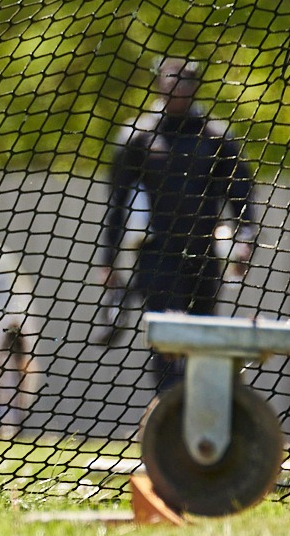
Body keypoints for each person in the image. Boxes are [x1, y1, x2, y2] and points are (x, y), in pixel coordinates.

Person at [93, 57, 260, 389]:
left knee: (202, 338)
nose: (178, 88)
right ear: (159, 83)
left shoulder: (215, 138)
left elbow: (241, 195)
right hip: (157, 258)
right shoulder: (138, 138)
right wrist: (108, 260)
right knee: (168, 343)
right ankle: (169, 418)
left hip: (203, 255)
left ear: (196, 86)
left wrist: (245, 240)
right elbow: (118, 201)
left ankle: (200, 416)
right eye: (172, 80)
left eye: (186, 81)